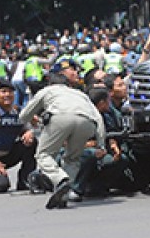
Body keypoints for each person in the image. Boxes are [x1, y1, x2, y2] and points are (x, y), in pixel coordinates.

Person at [19, 59, 106, 209]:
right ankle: (64, 193)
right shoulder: (79, 94)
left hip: (61, 118)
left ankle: (60, 180)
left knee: (43, 155)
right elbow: (98, 118)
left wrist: (34, 120)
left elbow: (23, 115)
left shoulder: (47, 91)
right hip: (87, 122)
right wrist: (101, 142)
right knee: (72, 158)